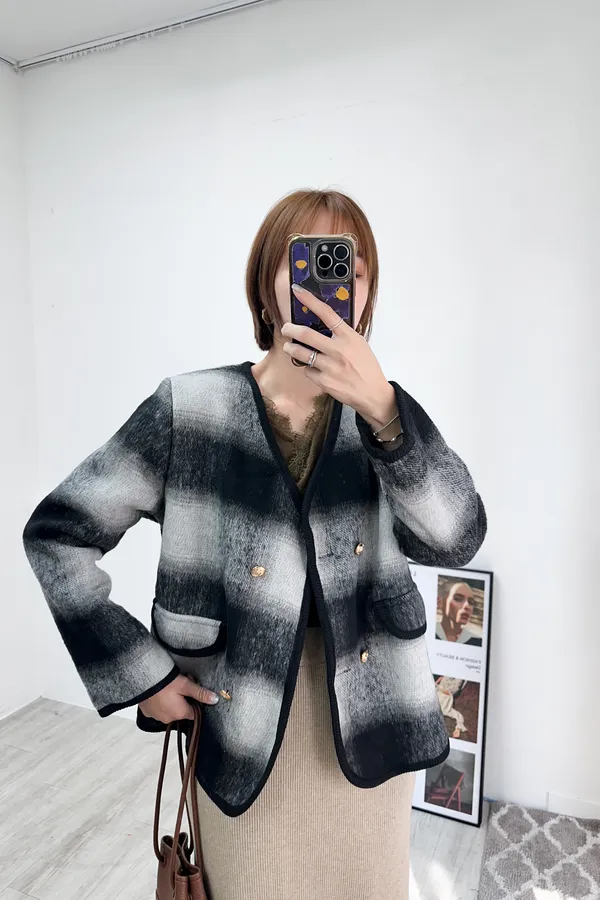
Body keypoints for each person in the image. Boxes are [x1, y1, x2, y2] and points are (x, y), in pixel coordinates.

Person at [23, 189, 487, 900]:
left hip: (372, 718)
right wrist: (143, 675)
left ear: (367, 294)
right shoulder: (190, 410)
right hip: (236, 720)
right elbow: (59, 535)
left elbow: (456, 539)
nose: (329, 282)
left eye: (349, 266)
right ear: (268, 285)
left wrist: (384, 411)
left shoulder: (385, 418)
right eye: (306, 261)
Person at [436, 580, 483, 646]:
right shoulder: (428, 633)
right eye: (458, 598)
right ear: (440, 602)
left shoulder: (477, 641)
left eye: (471, 602)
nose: (467, 606)